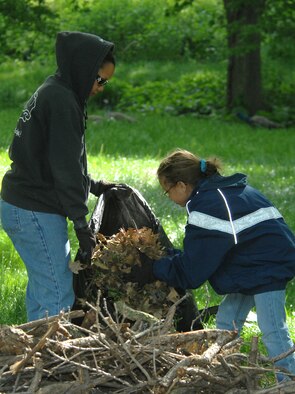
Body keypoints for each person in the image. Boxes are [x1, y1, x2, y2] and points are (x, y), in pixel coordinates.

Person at [127, 148, 295, 381]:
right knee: (227, 321)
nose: (168, 197)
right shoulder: (220, 191)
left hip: (267, 266)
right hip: (250, 262)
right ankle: (227, 375)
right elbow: (207, 251)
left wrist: (154, 268)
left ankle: (288, 382)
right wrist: (170, 258)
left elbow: (193, 272)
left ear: (181, 186)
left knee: (273, 329)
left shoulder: (208, 206)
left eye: (167, 191)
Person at [0, 31, 119, 322]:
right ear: (84, 69)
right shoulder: (62, 100)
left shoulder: (56, 90)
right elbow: (64, 168)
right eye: (99, 79)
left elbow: (48, 158)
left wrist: (90, 185)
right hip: (33, 209)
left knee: (45, 286)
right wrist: (81, 224)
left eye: (106, 82)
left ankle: (30, 357)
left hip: (22, 203)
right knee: (56, 292)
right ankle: (52, 363)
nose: (100, 88)